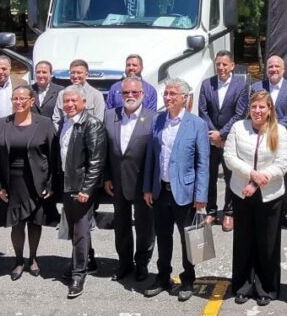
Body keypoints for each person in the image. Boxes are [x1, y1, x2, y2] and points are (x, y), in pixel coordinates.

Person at [142, 78, 208, 301]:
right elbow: (152, 157)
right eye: (166, 93)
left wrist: (201, 196)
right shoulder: (158, 121)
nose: (168, 98)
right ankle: (162, 277)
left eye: (172, 94)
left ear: (184, 98)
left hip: (186, 193)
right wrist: (148, 188)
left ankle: (188, 279)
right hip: (161, 191)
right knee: (162, 236)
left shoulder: (196, 124)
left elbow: (203, 163)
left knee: (188, 238)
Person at [223, 91, 287, 305]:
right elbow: (229, 157)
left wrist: (260, 179)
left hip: (270, 195)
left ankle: (266, 287)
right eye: (254, 107)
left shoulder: (279, 131)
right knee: (244, 241)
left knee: (267, 242)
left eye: (262, 107)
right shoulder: (238, 128)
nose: (257, 111)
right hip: (241, 193)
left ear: (270, 109)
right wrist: (251, 175)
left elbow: (282, 164)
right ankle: (243, 284)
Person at [0, 85, 60, 281]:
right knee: (17, 223)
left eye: (23, 99)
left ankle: (33, 258)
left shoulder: (45, 124)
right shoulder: (2, 123)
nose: (18, 102)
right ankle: (19, 260)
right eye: (15, 98)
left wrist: (52, 184)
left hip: (37, 181)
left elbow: (54, 157)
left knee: (35, 221)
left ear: (32, 101)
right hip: (11, 182)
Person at [103, 77, 156, 283]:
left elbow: (155, 155)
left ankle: (142, 263)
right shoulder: (109, 116)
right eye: (126, 93)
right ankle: (124, 263)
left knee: (145, 226)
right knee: (121, 225)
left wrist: (151, 185)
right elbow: (104, 150)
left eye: (134, 93)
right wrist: (107, 176)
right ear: (120, 94)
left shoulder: (153, 118)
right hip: (116, 182)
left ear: (142, 94)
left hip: (143, 184)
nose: (130, 96)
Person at [57, 86, 107, 298]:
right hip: (68, 184)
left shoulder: (92, 124)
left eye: (73, 101)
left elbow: (96, 161)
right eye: (66, 101)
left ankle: (79, 273)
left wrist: (86, 189)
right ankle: (90, 259)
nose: (69, 104)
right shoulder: (66, 122)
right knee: (79, 228)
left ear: (84, 103)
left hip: (82, 187)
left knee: (79, 230)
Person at [197, 50, 248, 230]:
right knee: (209, 177)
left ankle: (229, 213)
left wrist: (223, 134)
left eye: (225, 64)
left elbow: (240, 113)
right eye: (218, 64)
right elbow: (202, 111)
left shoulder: (241, 85)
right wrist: (214, 134)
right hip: (210, 140)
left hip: (230, 140)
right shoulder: (206, 84)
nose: (221, 67)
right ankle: (211, 212)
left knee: (230, 177)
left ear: (232, 66)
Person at [251, 54, 287, 229]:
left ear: (283, 69)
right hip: (259, 137)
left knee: (285, 174)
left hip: (284, 137)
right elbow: (252, 110)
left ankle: (284, 213)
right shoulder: (256, 86)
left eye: (276, 67)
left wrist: (274, 127)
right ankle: (260, 207)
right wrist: (263, 127)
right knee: (261, 169)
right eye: (270, 66)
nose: (273, 69)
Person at [52, 59, 106, 126]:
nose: (75, 76)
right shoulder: (62, 94)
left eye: (79, 73)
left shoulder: (97, 95)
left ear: (86, 74)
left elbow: (98, 122)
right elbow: (56, 119)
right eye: (73, 73)